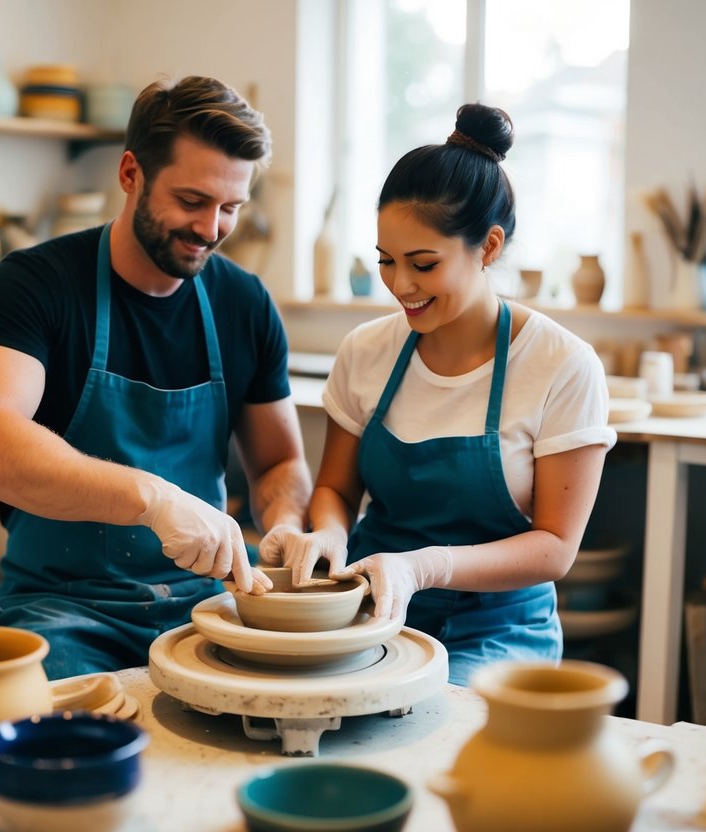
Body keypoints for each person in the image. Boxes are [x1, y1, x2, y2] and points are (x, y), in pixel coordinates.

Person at [0, 76, 312, 679]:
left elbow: (279, 465)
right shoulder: (34, 285)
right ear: (130, 174)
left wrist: (284, 526)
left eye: (231, 208)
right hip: (62, 607)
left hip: (207, 605)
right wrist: (155, 500)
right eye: (193, 201)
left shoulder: (245, 303)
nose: (211, 228)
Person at [259, 103, 616, 685]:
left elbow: (555, 547)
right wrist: (327, 533)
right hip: (370, 610)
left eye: (424, 264)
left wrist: (427, 566)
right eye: (386, 261)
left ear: (490, 246)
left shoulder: (562, 365)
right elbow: (334, 489)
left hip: (499, 628)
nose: (401, 285)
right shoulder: (365, 351)